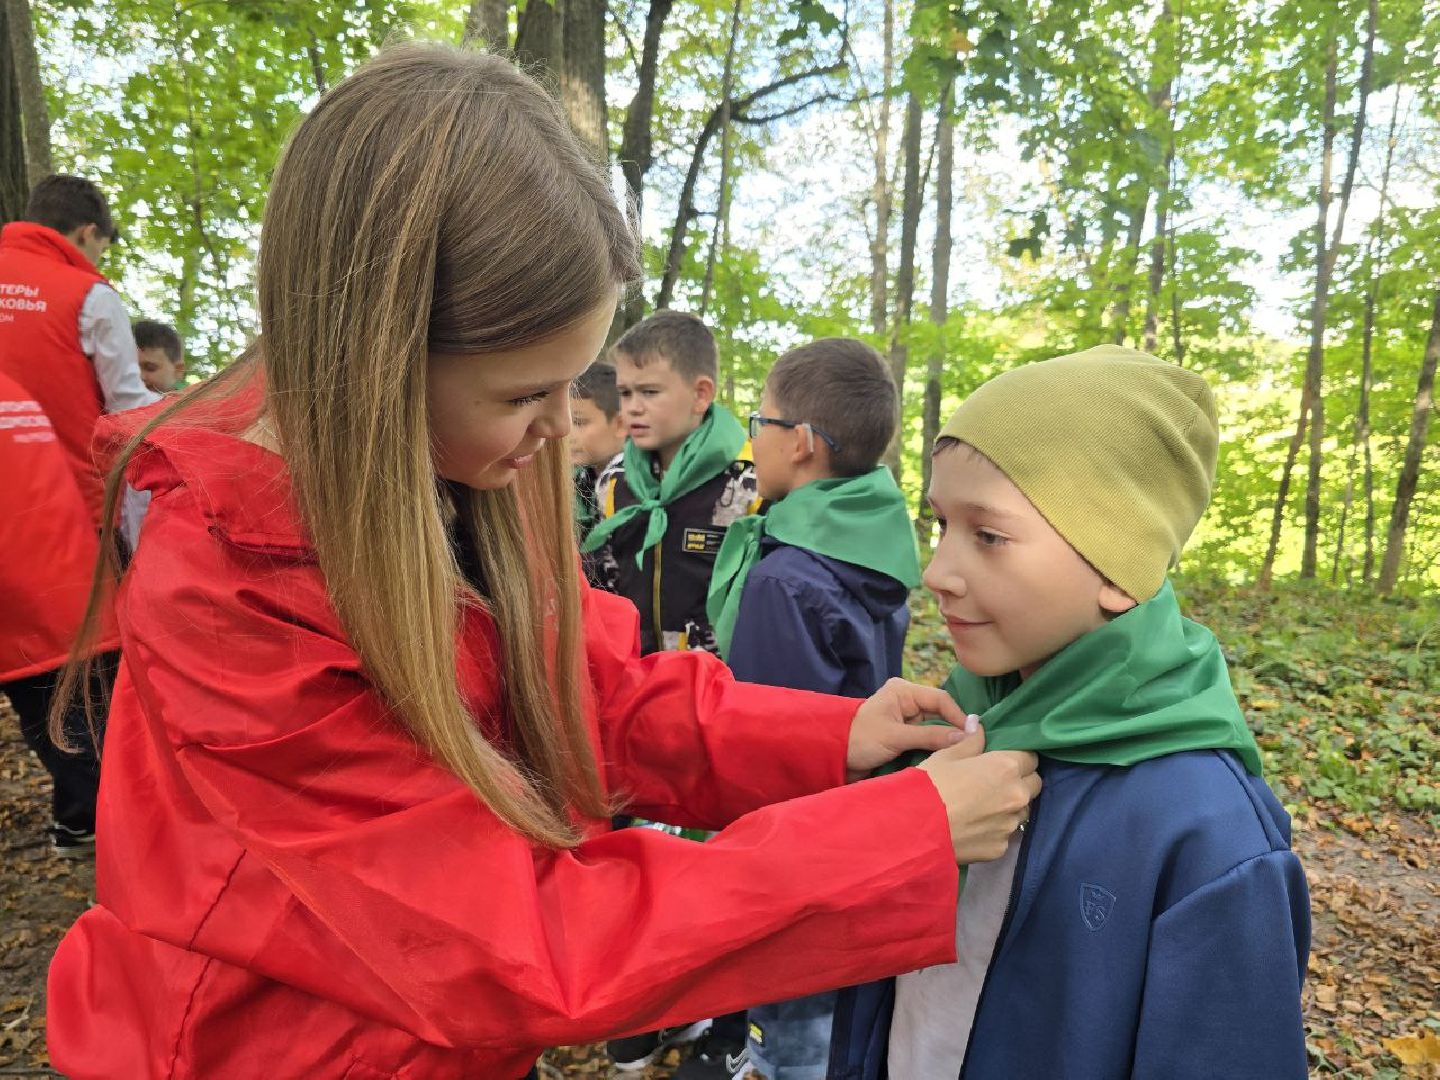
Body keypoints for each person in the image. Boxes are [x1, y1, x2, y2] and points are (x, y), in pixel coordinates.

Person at [45, 45, 1041, 1080]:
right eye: (527, 395)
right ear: (377, 360)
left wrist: (837, 741)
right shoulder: (232, 588)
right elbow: (499, 938)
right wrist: (893, 839)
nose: (561, 430)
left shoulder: (471, 468)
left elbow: (590, 698)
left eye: (576, 388)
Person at [828, 346, 1311, 1080]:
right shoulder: (951, 736)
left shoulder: (1206, 836)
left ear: (1117, 569)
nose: (936, 573)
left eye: (987, 535)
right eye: (940, 526)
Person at [698, 339, 918, 1080]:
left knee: (792, 1037)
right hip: (860, 827)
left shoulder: (786, 578)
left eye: (759, 418)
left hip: (801, 860)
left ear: (798, 443)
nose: (748, 435)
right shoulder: (874, 546)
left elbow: (770, 754)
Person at [582, 310, 757, 656]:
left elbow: (752, 599)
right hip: (637, 671)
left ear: (701, 395)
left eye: (649, 392)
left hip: (716, 681)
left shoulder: (746, 483)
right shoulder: (616, 480)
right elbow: (607, 580)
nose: (632, 408)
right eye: (625, 393)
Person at [0, 371, 118, 856]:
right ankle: (78, 827)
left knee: (85, 750)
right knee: (93, 731)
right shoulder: (12, 386)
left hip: (26, 608)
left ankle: (152, 877)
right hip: (74, 585)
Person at [0, 174, 156, 525]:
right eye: (100, 247)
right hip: (69, 505)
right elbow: (128, 407)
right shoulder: (91, 295)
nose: (97, 259)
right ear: (87, 232)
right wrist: (198, 406)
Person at [570, 361, 626, 590]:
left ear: (621, 424)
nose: (567, 432)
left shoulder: (632, 486)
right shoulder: (582, 479)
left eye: (579, 422)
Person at [133, 318, 186, 393]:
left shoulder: (194, 403)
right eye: (130, 369)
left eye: (150, 368)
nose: (139, 376)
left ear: (178, 370)